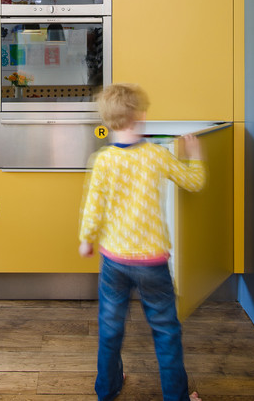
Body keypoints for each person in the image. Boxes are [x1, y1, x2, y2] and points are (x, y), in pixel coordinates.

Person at [79, 83, 206, 401]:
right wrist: (196, 156)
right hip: (152, 262)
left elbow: (93, 207)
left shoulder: (103, 160)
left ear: (106, 122)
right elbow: (194, 182)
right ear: (142, 116)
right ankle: (176, 397)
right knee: (166, 332)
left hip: (114, 261)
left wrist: (86, 240)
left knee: (110, 329)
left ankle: (107, 390)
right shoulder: (155, 155)